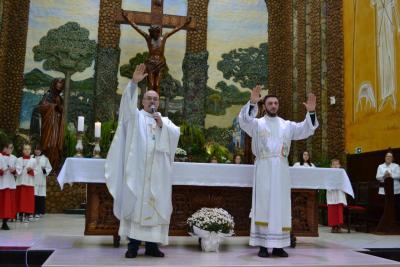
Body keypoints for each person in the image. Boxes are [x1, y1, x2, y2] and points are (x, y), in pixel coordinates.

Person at [105, 64, 180, 258]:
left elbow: (174, 135)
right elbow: (126, 107)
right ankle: (133, 245)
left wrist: (162, 125)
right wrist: (133, 84)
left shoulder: (164, 120)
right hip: (139, 171)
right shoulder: (135, 117)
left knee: (155, 205)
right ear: (143, 100)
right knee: (136, 204)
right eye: (149, 98)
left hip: (157, 174)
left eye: (155, 99)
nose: (152, 101)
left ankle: (153, 246)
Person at [239, 85, 318, 258]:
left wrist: (311, 113)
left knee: (281, 205)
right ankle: (261, 245)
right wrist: (252, 102)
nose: (273, 106)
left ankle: (279, 246)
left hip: (281, 170)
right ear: (264, 106)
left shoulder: (287, 125)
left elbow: (305, 129)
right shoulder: (257, 124)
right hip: (264, 168)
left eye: (276, 103)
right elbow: (243, 121)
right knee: (263, 204)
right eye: (270, 103)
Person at [30, 78, 65, 169]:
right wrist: (53, 106)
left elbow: (62, 111)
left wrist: (60, 108)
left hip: (57, 125)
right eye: (58, 83)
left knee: (56, 147)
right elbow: (41, 107)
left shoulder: (60, 99)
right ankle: (46, 170)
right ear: (54, 84)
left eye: (61, 84)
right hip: (49, 125)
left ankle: (53, 169)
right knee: (49, 145)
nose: (60, 85)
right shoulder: (48, 95)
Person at [376, 151, 400, 221]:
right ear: (385, 158)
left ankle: (395, 221)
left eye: (390, 157)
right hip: (383, 191)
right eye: (387, 156)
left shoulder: (396, 166)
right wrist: (384, 176)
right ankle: (384, 221)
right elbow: (377, 177)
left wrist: (391, 175)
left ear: (392, 159)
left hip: (395, 191)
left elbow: (399, 175)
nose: (388, 158)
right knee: (384, 207)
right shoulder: (380, 166)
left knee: (395, 207)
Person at [15, 144, 36, 223]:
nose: (27, 151)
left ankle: (27, 215)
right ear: (23, 150)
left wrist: (30, 170)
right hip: (20, 182)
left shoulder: (33, 160)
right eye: (25, 149)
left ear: (31, 151)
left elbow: (37, 171)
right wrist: (19, 170)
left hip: (29, 182)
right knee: (20, 199)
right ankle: (20, 215)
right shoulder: (19, 159)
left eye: (28, 149)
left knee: (28, 200)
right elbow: (17, 170)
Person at [327, 159, 347, 233]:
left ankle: (338, 226)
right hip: (331, 193)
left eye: (337, 164)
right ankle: (333, 226)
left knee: (338, 209)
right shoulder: (328, 173)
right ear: (331, 166)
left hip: (339, 193)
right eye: (333, 164)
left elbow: (345, 183)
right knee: (332, 209)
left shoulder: (342, 173)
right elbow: (326, 183)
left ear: (339, 165)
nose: (335, 166)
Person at [0, 141, 17, 230]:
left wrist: (13, 170)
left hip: (10, 184)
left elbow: (17, 171)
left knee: (8, 205)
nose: (9, 149)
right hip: (1, 183)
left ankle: (5, 223)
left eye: (11, 148)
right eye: (8, 147)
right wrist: (3, 170)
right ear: (4, 148)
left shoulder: (14, 158)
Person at [33, 144, 52, 218]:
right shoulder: (31, 158)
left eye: (38, 149)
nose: (37, 151)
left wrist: (44, 170)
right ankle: (33, 211)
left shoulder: (45, 159)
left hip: (41, 179)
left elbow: (49, 168)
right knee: (34, 195)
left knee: (40, 195)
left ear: (41, 151)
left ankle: (39, 211)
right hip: (33, 180)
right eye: (36, 149)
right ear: (34, 150)